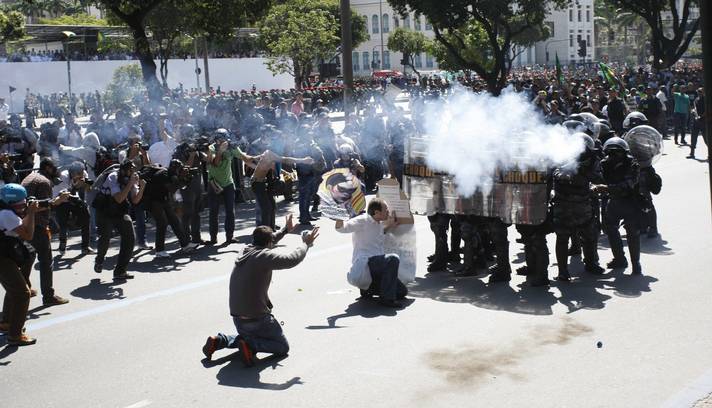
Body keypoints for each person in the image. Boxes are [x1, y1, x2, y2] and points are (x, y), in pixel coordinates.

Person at [202, 215, 319, 365]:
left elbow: (269, 241)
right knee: (282, 347)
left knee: (248, 336)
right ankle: (250, 346)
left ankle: (221, 341)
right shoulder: (264, 256)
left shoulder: (245, 250)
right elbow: (291, 259)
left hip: (238, 317)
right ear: (268, 243)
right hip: (258, 318)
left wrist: (285, 231)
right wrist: (306, 244)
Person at [335, 198, 408, 307]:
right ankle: (387, 299)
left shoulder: (378, 223)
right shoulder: (363, 220)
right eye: (386, 210)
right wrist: (338, 216)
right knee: (393, 258)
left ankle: (369, 289)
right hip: (367, 262)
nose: (388, 212)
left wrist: (391, 226)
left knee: (402, 292)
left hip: (377, 264)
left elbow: (379, 234)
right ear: (377, 212)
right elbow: (341, 228)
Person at [21, 157, 71, 306]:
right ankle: (48, 296)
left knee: (27, 258)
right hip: (36, 226)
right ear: (48, 168)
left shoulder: (30, 176)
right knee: (46, 261)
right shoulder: (44, 182)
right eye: (55, 168)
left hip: (23, 224)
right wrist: (57, 201)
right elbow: (38, 205)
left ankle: (23, 289)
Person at [93, 160, 146, 280]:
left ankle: (120, 271)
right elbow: (119, 198)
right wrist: (130, 183)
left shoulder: (131, 179)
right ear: (123, 170)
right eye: (130, 171)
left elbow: (135, 200)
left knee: (130, 237)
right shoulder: (113, 177)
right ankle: (99, 259)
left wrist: (142, 187)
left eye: (133, 171)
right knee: (105, 237)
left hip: (119, 211)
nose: (132, 173)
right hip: (105, 210)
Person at [0, 184, 40, 345]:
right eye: (21, 203)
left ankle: (6, 323)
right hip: (2, 258)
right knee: (23, 294)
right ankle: (15, 335)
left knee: (14, 289)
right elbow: (28, 234)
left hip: (4, 255)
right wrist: (31, 212)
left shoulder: (4, 209)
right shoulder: (6, 214)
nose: (23, 205)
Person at [597, 137, 642, 275]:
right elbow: (598, 178)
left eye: (617, 152)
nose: (614, 155)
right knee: (610, 229)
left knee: (632, 233)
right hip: (613, 201)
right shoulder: (605, 164)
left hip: (630, 201)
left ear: (624, 152)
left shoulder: (632, 164)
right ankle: (619, 259)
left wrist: (606, 188)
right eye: (611, 152)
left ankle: (636, 264)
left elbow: (628, 185)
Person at [53, 161, 94, 255]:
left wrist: (86, 184)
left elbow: (89, 189)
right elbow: (66, 194)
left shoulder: (83, 173)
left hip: (75, 199)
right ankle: (62, 244)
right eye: (78, 173)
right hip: (61, 200)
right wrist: (76, 185)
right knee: (63, 223)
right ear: (72, 172)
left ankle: (85, 247)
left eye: (81, 173)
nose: (81, 175)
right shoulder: (63, 176)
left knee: (86, 218)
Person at [689, 87, 706, 159]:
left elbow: (707, 110)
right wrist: (693, 111)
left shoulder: (706, 100)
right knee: (693, 137)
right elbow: (694, 108)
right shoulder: (696, 99)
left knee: (706, 139)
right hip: (696, 121)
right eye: (698, 91)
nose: (699, 92)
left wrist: (701, 116)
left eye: (700, 91)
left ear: (703, 92)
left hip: (704, 121)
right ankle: (692, 153)